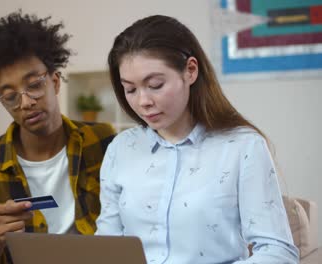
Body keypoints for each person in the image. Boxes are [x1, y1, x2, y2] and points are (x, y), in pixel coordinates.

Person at [95, 15, 299, 263]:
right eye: (130, 89)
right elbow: (106, 245)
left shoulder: (243, 147)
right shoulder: (121, 149)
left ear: (190, 70)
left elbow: (278, 252)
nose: (143, 101)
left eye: (156, 85)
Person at [0, 12, 116, 263]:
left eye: (34, 85)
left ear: (55, 82)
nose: (26, 102)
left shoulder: (103, 142)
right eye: (10, 96)